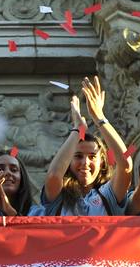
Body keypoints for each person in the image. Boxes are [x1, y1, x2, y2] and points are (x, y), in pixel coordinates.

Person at [41, 76, 133, 216]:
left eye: (92, 156)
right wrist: (78, 129)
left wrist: (99, 118)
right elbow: (54, 176)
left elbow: (125, 164)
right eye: (78, 156)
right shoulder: (60, 196)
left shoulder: (108, 194)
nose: (85, 162)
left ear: (102, 161)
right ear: (68, 162)